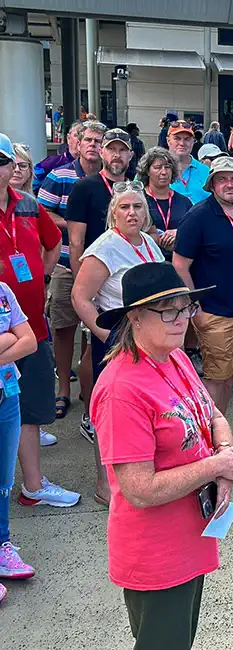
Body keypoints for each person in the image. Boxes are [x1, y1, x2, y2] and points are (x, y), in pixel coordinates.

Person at [91, 262, 233, 650]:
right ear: (135, 317)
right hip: (156, 554)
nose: (182, 320)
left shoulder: (173, 357)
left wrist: (224, 456)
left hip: (190, 536)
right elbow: (139, 489)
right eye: (169, 310)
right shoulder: (121, 389)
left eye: (186, 307)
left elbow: (212, 414)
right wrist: (214, 465)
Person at [72, 180, 166, 505]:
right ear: (114, 212)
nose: (132, 212)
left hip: (149, 339)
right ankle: (103, 483)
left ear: (146, 212)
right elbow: (80, 297)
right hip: (117, 338)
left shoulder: (149, 244)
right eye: (124, 207)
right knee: (110, 413)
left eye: (137, 206)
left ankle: (138, 474)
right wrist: (105, 335)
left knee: (142, 410)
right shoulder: (104, 248)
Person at [0, 133, 80, 508]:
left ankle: (32, 486)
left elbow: (52, 244)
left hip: (30, 323)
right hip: (3, 330)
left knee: (29, 408)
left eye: (3, 162)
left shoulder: (29, 205)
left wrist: (40, 275)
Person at [172, 156, 233, 450]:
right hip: (213, 312)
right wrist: (194, 308)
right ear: (212, 184)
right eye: (222, 179)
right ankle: (208, 440)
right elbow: (179, 265)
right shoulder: (199, 216)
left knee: (229, 377)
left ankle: (220, 433)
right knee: (216, 378)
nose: (229, 184)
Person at [65, 126, 136, 440]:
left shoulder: (135, 189)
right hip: (95, 280)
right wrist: (86, 290)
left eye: (123, 149)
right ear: (101, 153)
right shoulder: (86, 187)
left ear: (131, 155)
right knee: (95, 354)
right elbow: (76, 241)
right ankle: (90, 413)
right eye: (112, 149)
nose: (117, 155)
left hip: (124, 282)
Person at [39, 120, 106, 428]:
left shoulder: (113, 181)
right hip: (68, 263)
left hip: (104, 269)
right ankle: (63, 389)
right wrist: (76, 222)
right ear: (77, 143)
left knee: (96, 331)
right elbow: (44, 214)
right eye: (88, 140)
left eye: (98, 141)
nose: (93, 145)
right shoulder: (60, 176)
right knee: (65, 328)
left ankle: (90, 389)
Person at [0, 277, 41, 600]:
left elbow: (28, 341)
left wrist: (14, 337)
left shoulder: (2, 290)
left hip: (7, 396)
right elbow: (16, 338)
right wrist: (7, 338)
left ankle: (2, 543)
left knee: (3, 480)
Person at [138, 147, 195, 254]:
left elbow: (196, 230)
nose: (164, 172)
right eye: (157, 167)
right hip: (146, 260)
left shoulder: (184, 202)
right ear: (147, 171)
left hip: (179, 261)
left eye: (167, 167)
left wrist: (180, 233)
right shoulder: (137, 200)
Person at [166, 120, 211, 205]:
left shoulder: (206, 171)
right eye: (177, 138)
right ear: (168, 141)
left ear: (193, 142)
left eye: (187, 139)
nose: (182, 143)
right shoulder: (154, 170)